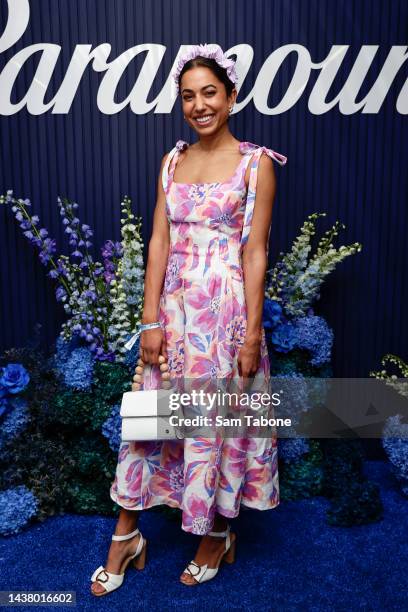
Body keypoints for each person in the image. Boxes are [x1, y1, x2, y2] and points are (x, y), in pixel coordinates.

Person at [91, 43, 287, 596]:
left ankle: (216, 532)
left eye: (209, 93)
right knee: (150, 426)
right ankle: (125, 536)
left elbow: (255, 252)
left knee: (214, 428)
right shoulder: (172, 160)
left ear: (230, 97)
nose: (199, 105)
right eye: (188, 96)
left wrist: (251, 333)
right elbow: (158, 242)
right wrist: (148, 320)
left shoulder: (257, 163)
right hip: (172, 317)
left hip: (224, 318)